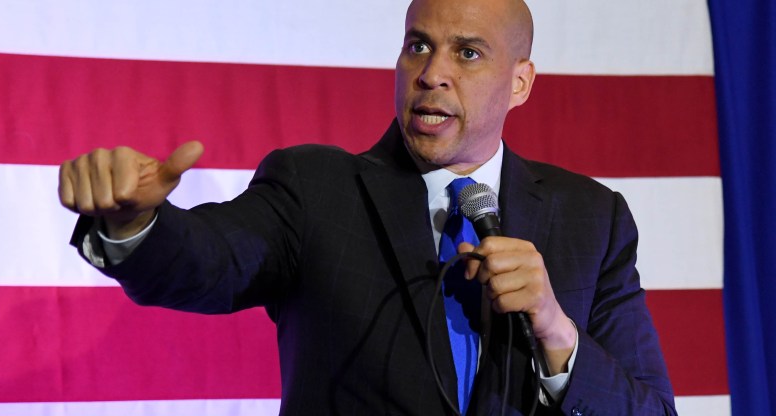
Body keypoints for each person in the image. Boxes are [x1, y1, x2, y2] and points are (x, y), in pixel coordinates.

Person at [58, 0, 676, 414]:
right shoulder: (315, 187)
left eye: (466, 53)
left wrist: (555, 330)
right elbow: (210, 259)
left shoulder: (592, 217)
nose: (431, 73)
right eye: (417, 46)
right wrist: (134, 224)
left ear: (520, 82)